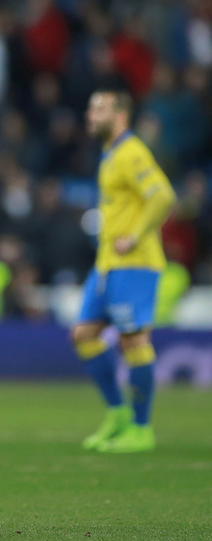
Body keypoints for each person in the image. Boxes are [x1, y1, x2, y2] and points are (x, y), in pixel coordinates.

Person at [71, 91, 175, 453]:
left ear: (120, 116)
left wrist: (134, 235)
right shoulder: (110, 154)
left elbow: (162, 195)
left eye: (98, 108)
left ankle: (142, 429)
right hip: (107, 265)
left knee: (134, 340)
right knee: (84, 334)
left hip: (135, 264)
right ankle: (118, 414)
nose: (90, 114)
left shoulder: (131, 152)